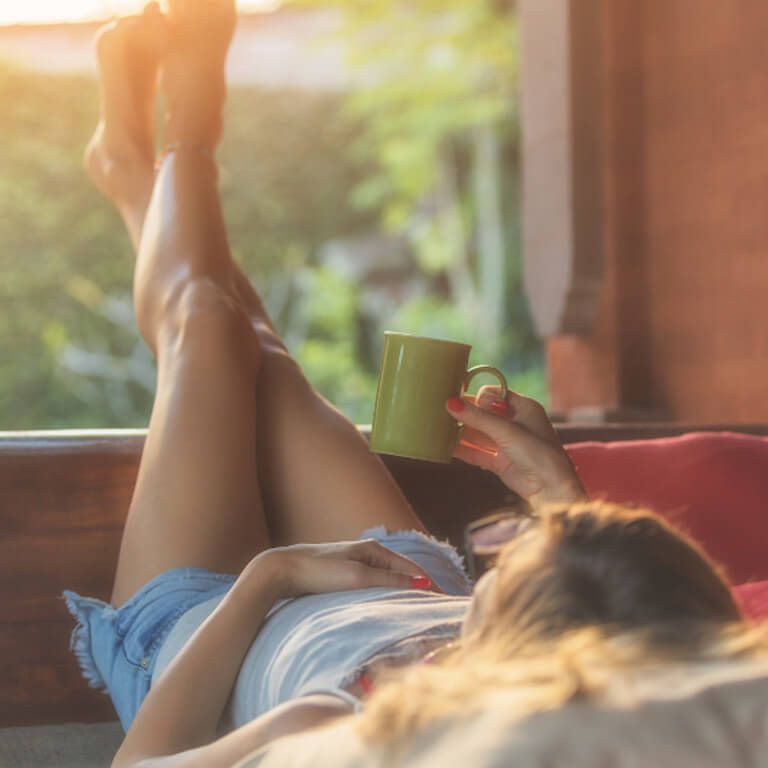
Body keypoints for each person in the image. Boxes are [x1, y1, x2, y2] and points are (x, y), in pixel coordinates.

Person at [62, 4, 765, 767]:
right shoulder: (620, 672)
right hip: (400, 581)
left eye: (500, 582)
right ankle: (139, 182)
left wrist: (274, 576)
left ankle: (184, 143)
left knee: (204, 321)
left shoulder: (342, 725)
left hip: (209, 633)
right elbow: (641, 629)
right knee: (258, 351)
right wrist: (556, 489)